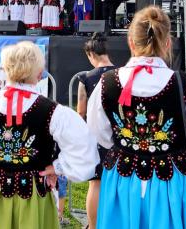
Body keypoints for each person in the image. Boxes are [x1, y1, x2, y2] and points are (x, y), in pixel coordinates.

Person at [0, 41, 97, 228]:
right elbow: (84, 152)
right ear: (39, 74)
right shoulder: (53, 111)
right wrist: (57, 167)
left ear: (5, 69)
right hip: (30, 196)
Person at [88, 6, 186, 229]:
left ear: (131, 42)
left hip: (123, 182)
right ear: (167, 43)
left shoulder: (106, 83)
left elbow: (101, 136)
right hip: (174, 183)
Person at [75, 33, 117, 229]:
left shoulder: (86, 78)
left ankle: (93, 226)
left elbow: (81, 112)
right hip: (120, 137)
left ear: (91, 54)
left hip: (95, 137)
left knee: (96, 184)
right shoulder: (123, 74)